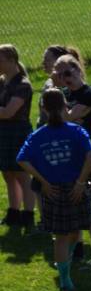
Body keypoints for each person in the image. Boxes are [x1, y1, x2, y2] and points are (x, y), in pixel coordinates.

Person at [17, 88, 91, 291]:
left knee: (63, 235)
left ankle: (64, 273)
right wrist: (80, 183)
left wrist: (42, 181)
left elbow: (22, 160)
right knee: (73, 232)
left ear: (43, 108)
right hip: (74, 189)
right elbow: (90, 158)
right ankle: (65, 275)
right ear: (65, 106)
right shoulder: (76, 131)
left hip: (52, 190)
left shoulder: (37, 136)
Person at [52, 53, 91, 269]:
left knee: (88, 209)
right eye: (60, 73)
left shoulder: (90, 95)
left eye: (68, 72)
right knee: (71, 207)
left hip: (82, 156)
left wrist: (63, 109)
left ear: (78, 70)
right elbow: (54, 117)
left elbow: (63, 118)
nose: (65, 78)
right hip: (65, 155)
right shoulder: (64, 94)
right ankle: (77, 255)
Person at [0, 44, 36, 229]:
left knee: (22, 174)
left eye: (1, 60)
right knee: (7, 173)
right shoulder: (1, 81)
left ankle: (28, 214)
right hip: (3, 132)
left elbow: (8, 112)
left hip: (17, 131)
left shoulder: (22, 84)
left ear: (12, 61)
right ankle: (13, 212)